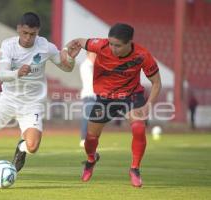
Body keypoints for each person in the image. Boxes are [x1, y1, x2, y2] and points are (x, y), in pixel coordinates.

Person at [0, 12, 78, 183]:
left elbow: (67, 68)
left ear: (38, 31)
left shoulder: (45, 47)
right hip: (8, 100)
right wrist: (18, 72)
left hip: (33, 103)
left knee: (32, 146)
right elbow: (2, 75)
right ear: (18, 29)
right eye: (24, 33)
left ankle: (21, 147)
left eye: (32, 34)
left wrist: (70, 58)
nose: (27, 38)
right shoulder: (8, 46)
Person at [65, 23, 162, 187]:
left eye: (117, 45)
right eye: (111, 43)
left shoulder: (142, 55)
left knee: (139, 128)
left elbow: (156, 83)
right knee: (90, 139)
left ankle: (135, 169)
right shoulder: (100, 45)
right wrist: (68, 50)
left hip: (131, 96)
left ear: (129, 42)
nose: (112, 48)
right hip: (105, 98)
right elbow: (79, 41)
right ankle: (91, 159)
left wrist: (149, 105)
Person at [79, 52, 96, 147]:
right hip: (89, 94)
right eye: (93, 55)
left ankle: (89, 138)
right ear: (88, 55)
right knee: (87, 117)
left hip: (94, 95)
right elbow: (91, 80)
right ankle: (83, 138)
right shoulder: (86, 66)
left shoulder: (92, 65)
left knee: (93, 118)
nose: (95, 57)